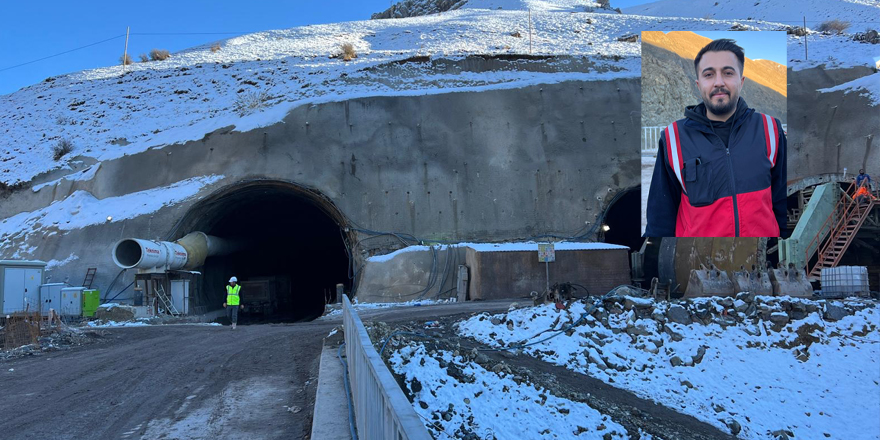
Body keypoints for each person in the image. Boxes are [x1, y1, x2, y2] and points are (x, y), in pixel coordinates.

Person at [644, 38, 787, 237]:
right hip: (698, 263)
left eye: (728, 73)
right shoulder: (673, 138)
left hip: (761, 260)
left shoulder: (770, 130)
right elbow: (660, 217)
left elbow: (781, 202)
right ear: (698, 84)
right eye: (709, 74)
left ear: (741, 81)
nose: (719, 82)